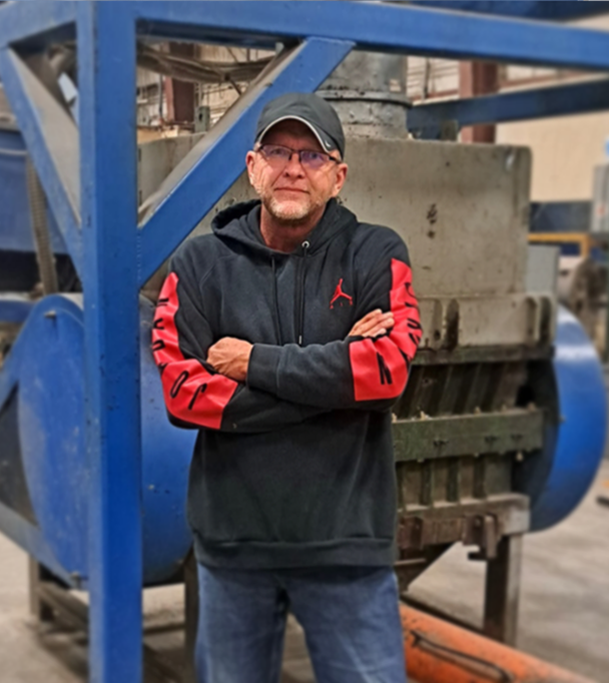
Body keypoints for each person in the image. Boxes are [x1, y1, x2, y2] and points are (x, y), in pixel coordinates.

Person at [151, 92, 420, 683]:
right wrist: (334, 380)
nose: (293, 167)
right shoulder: (198, 266)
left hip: (346, 548)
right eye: (277, 151)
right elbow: (182, 394)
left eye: (313, 155)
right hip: (233, 550)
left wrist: (254, 363)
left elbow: (387, 373)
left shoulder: (376, 253)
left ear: (338, 176)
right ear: (252, 166)